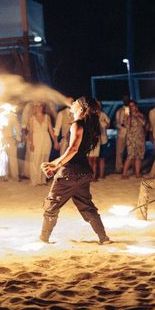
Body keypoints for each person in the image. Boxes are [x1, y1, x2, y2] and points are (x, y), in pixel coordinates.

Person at [40, 97, 110, 244]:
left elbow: (73, 149)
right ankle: (103, 238)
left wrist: (56, 165)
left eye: (75, 102)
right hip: (83, 172)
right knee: (87, 207)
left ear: (82, 109)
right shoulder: (88, 125)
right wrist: (53, 163)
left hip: (69, 173)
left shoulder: (77, 125)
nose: (71, 104)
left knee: (51, 205)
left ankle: (43, 238)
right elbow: (74, 152)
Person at [28, 102, 58, 185]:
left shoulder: (47, 117)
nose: (38, 107)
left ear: (42, 107)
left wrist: (55, 141)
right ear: (34, 108)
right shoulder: (32, 118)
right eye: (36, 106)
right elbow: (30, 132)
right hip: (36, 140)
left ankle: (43, 180)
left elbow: (51, 130)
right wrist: (31, 143)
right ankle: (35, 180)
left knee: (45, 160)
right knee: (36, 160)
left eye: (40, 106)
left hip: (46, 139)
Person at [122, 100, 147, 179]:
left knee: (139, 156)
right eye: (130, 106)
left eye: (133, 105)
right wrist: (129, 115)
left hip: (140, 138)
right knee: (130, 156)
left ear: (136, 106)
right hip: (131, 138)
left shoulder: (140, 115)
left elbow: (144, 123)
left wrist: (137, 115)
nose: (132, 107)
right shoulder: (127, 115)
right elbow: (126, 125)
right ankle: (124, 173)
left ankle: (137, 173)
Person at [88, 102, 110, 181]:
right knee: (90, 159)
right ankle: (91, 176)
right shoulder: (89, 115)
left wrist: (104, 124)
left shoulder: (103, 115)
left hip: (101, 140)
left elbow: (108, 124)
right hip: (90, 140)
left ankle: (98, 175)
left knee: (98, 159)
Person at [2, 109, 22, 182]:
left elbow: (17, 127)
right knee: (3, 158)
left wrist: (18, 139)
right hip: (0, 139)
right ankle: (4, 176)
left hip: (10, 139)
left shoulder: (11, 115)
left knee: (13, 158)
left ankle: (15, 176)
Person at [114, 95, 131, 173]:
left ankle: (130, 168)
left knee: (131, 152)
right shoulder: (119, 111)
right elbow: (116, 123)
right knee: (119, 152)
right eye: (125, 99)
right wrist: (122, 126)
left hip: (131, 134)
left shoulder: (132, 110)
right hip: (121, 134)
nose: (126, 100)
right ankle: (119, 168)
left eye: (127, 99)